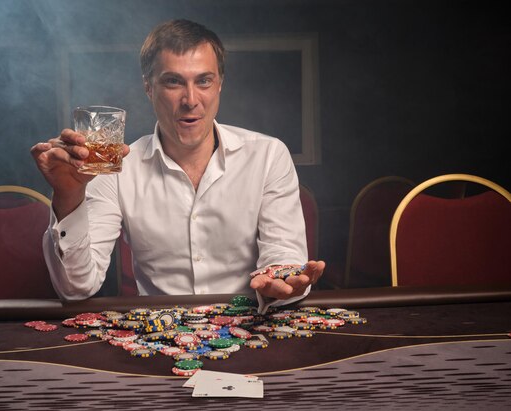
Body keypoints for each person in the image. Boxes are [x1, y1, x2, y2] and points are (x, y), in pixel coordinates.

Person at [30, 19, 325, 313]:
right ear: (148, 87)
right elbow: (76, 288)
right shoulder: (117, 169)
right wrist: (68, 196)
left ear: (219, 84)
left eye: (203, 81)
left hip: (249, 328)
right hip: (159, 339)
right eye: (173, 81)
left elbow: (283, 257)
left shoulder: (269, 155)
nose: (191, 100)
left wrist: (282, 282)